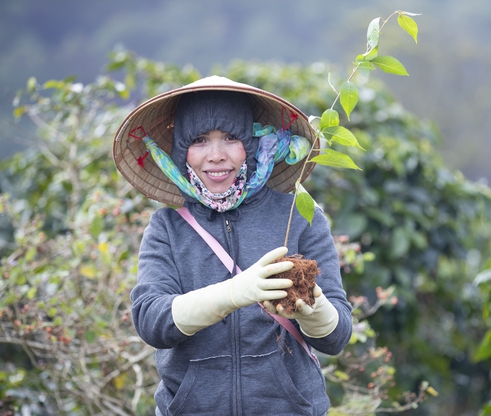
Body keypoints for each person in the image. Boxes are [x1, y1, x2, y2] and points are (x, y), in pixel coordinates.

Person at [112, 76, 352, 415]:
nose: (216, 156)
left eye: (230, 138)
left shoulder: (298, 215)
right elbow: (151, 321)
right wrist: (234, 293)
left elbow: (336, 337)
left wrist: (313, 310)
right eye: (198, 140)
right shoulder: (168, 228)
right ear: (182, 151)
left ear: (251, 144)